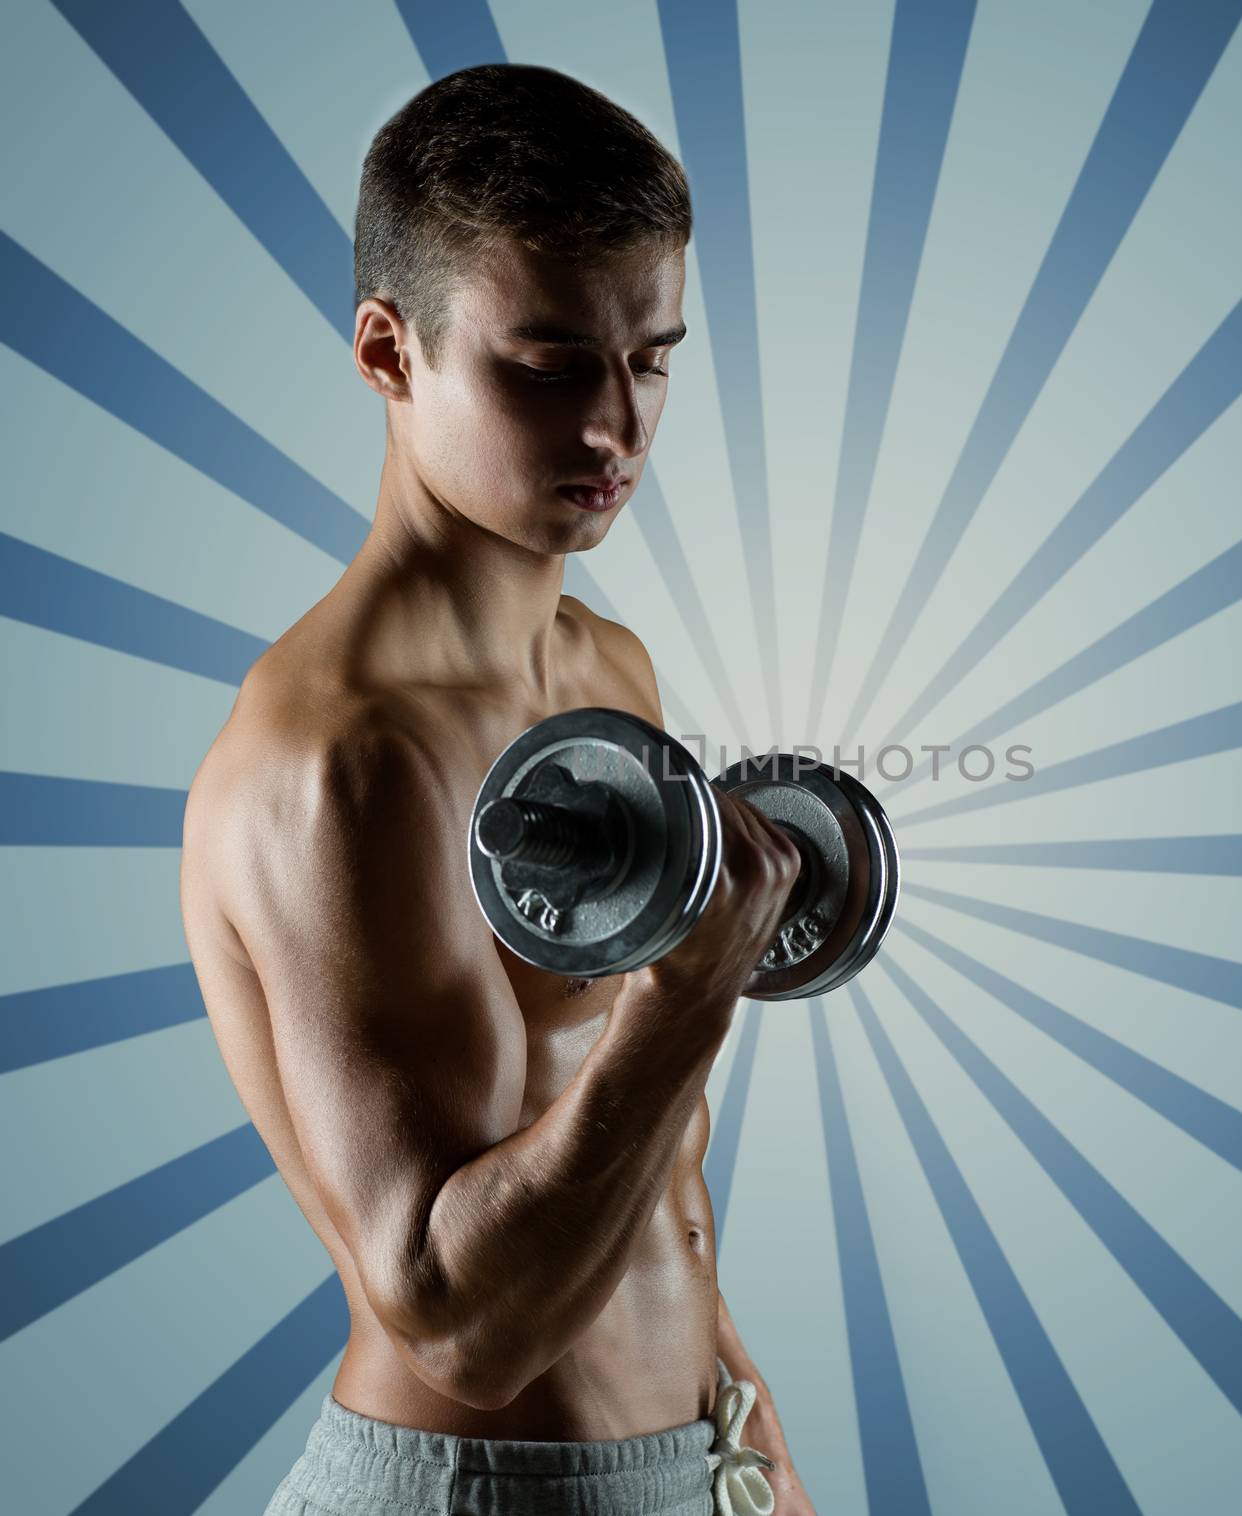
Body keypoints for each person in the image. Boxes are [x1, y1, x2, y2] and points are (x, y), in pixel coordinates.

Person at [179, 63, 814, 1516]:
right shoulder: (339, 760)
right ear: (389, 352)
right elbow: (461, 1322)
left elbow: (653, 1175)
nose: (617, 427)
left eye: (651, 359)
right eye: (546, 367)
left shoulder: (606, 668)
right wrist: (686, 995)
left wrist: (757, 1459)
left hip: (684, 1466)